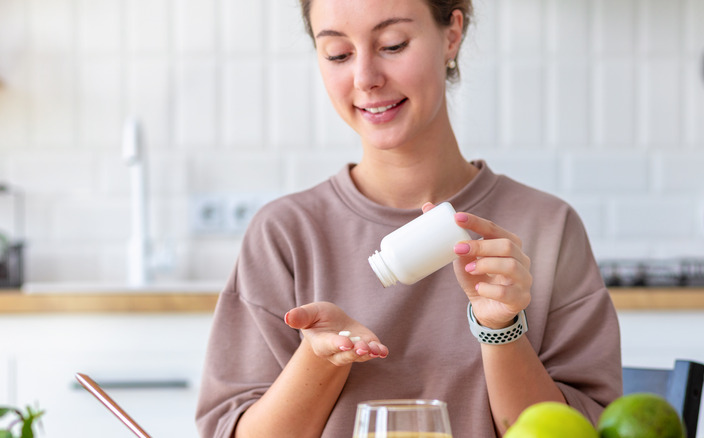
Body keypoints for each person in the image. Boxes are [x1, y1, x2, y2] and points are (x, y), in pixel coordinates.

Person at [195, 0, 622, 437]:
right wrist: (320, 361)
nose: (365, 78)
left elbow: (587, 429)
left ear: (451, 35)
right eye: (339, 54)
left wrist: (502, 330)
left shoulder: (547, 228)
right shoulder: (284, 235)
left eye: (393, 45)